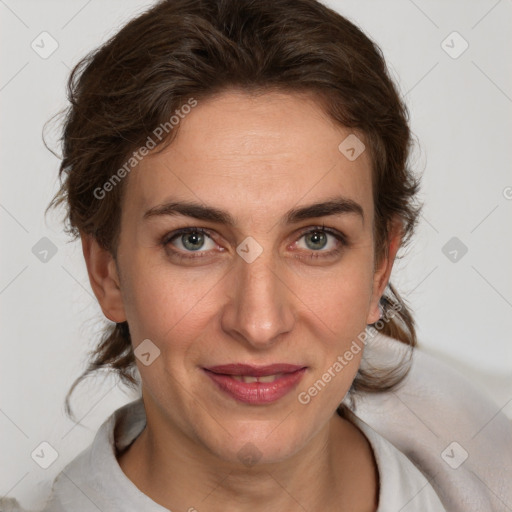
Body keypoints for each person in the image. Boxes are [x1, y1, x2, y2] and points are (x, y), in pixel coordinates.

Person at [2, 0, 511, 511]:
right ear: (106, 272)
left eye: (317, 239)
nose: (260, 323)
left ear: (380, 267)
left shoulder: (484, 456)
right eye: (193, 241)